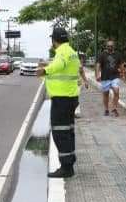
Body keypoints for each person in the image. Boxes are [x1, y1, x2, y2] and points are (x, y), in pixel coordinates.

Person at [38, 27, 89, 178]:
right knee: (68, 131)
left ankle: (66, 167)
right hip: (70, 97)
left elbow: (58, 65)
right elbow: (73, 69)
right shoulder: (72, 52)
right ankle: (69, 162)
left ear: (54, 40)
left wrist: (45, 70)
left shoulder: (62, 52)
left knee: (60, 132)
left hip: (62, 99)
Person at [95, 40, 125, 116]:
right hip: (105, 77)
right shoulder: (102, 55)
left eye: (111, 46)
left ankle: (114, 108)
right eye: (108, 46)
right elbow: (98, 65)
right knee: (106, 93)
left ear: (113, 46)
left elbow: (121, 65)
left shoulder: (118, 54)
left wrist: (123, 73)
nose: (110, 47)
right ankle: (106, 109)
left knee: (116, 91)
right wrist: (97, 75)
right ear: (106, 46)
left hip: (115, 76)